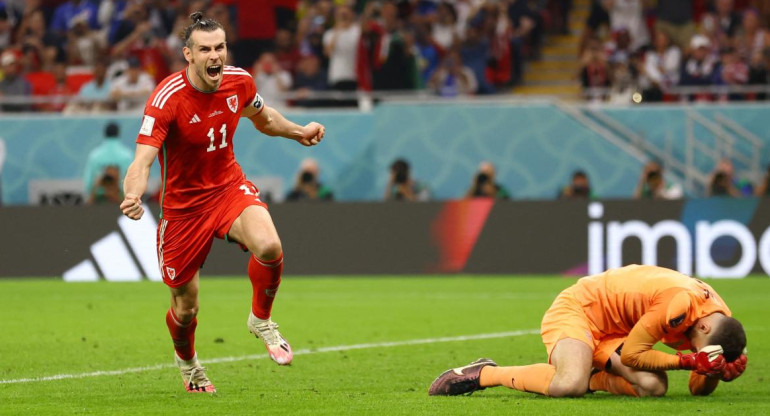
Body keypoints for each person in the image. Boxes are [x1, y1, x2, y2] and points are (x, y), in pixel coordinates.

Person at [120, 12, 325, 394]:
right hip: (184, 210)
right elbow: (142, 159)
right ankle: (189, 365)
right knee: (186, 308)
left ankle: (261, 320)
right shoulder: (167, 98)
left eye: (220, 47)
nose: (215, 56)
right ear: (188, 55)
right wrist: (133, 193)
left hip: (228, 188)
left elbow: (263, 118)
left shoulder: (239, 81)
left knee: (270, 246)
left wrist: (299, 132)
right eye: (205, 49)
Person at [429, 265, 748, 398]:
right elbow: (636, 355)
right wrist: (686, 362)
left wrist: (716, 372)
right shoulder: (677, 306)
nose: (696, 351)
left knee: (653, 387)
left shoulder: (720, 322)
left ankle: (593, 374)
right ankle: (484, 373)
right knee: (569, 384)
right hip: (580, 310)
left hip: (619, 330)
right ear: (703, 326)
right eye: (701, 350)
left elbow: (697, 388)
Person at [83, 122, 133, 204]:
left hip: (98, 200)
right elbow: (133, 183)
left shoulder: (94, 156)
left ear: (104, 134)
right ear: (118, 134)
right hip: (122, 200)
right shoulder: (127, 155)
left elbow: (88, 184)